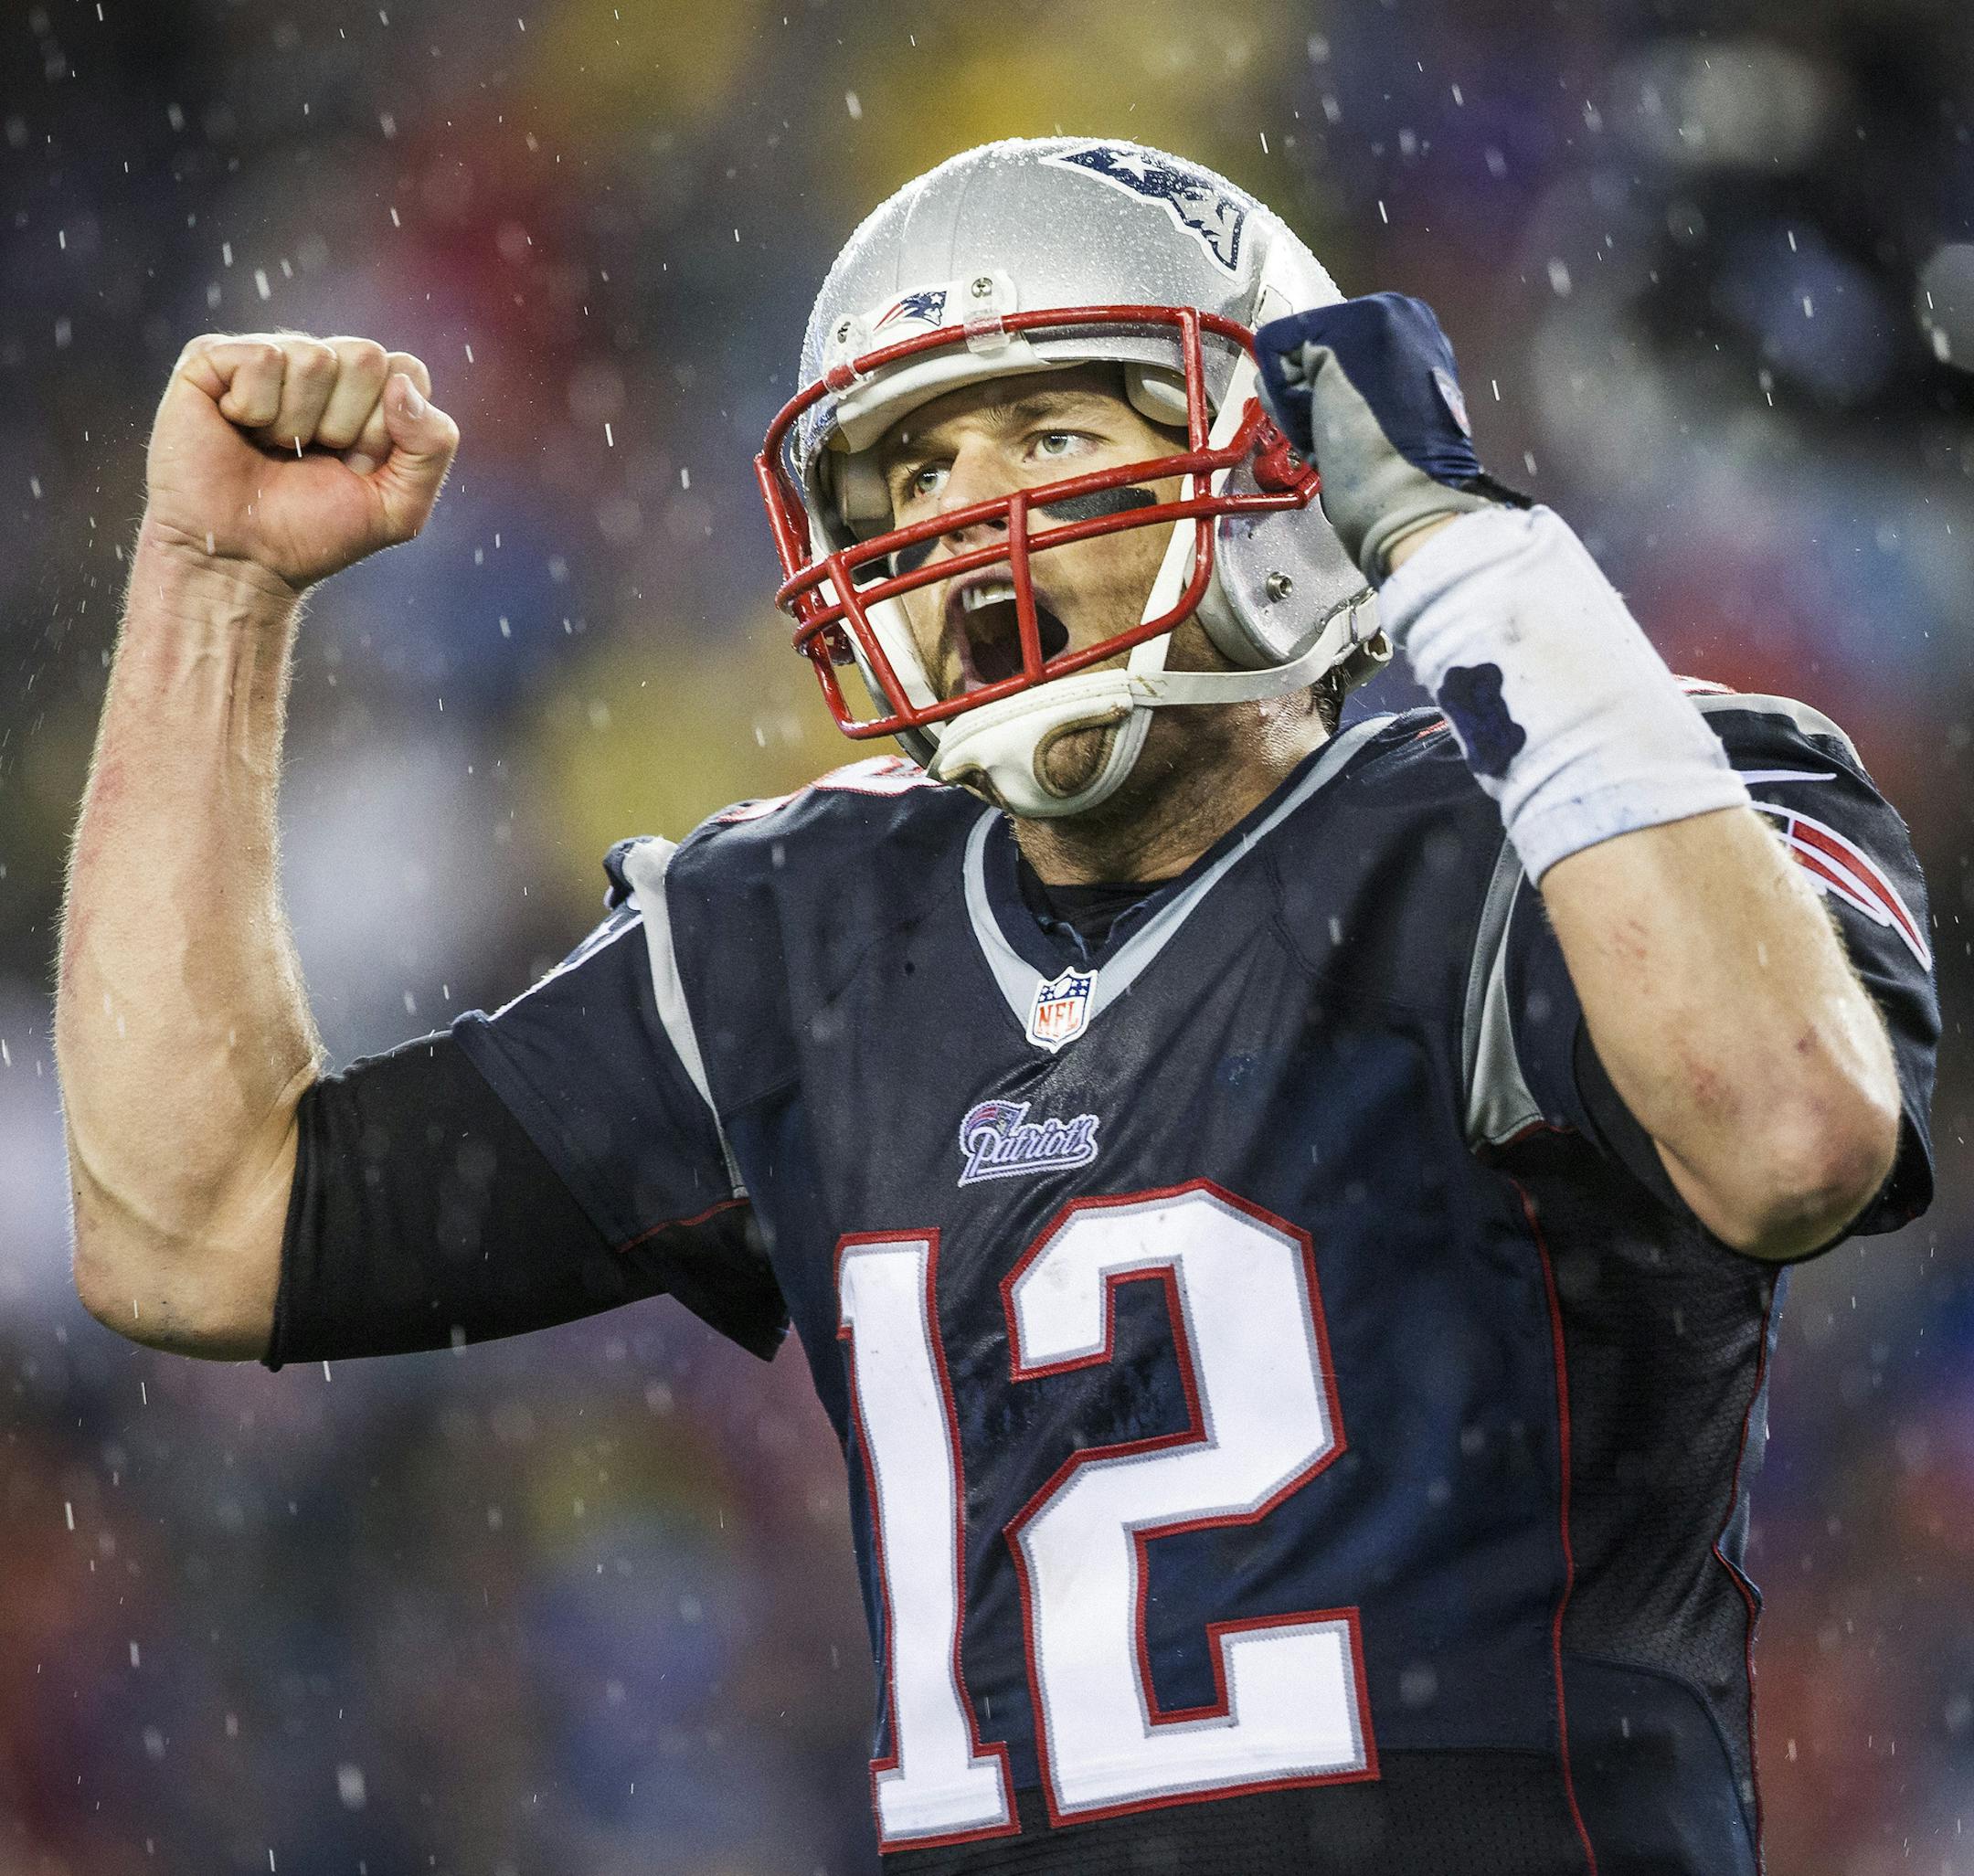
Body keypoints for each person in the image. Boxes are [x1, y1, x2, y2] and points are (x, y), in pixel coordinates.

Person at [57, 138, 1937, 1875]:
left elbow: (1788, 1136)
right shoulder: (797, 929)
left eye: (1044, 431)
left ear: (1284, 464)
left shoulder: (1578, 812)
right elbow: (197, 1230)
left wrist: (1466, 549)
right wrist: (212, 584)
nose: (963, 519)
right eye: (910, 472)